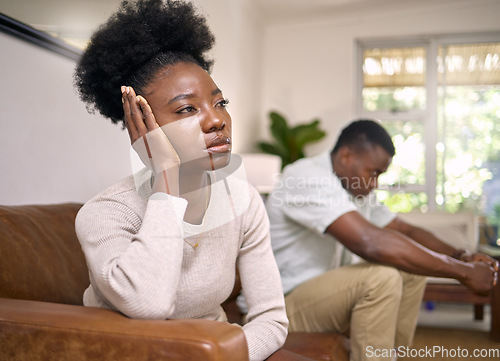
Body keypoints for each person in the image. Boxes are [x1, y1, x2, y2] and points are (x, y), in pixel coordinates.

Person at [73, 1, 288, 360]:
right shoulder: (105, 213)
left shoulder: (243, 200)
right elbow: (148, 304)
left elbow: (272, 319)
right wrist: (167, 183)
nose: (216, 120)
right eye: (187, 109)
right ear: (143, 126)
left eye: (220, 103)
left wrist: (225, 356)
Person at [265, 119, 499, 361]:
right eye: (373, 172)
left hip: (322, 295)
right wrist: (463, 272)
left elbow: (404, 230)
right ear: (345, 156)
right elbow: (370, 242)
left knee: (411, 271)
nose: (375, 183)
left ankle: (390, 356)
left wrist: (462, 256)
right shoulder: (306, 177)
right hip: (283, 307)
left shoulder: (354, 187)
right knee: (380, 278)